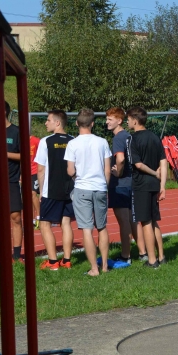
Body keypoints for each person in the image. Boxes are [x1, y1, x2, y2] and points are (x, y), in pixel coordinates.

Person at [64, 109, 112, 276]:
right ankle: (105, 265)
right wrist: (104, 186)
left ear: (77, 123)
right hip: (100, 187)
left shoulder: (72, 144)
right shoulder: (102, 142)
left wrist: (78, 175)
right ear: (92, 123)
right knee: (102, 227)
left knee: (86, 229)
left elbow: (70, 171)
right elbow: (107, 169)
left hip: (82, 187)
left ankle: (94, 268)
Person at [127, 106, 168, 269]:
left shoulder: (132, 139)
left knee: (145, 222)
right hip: (154, 185)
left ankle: (152, 260)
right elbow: (163, 163)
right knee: (153, 221)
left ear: (135, 121)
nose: (127, 122)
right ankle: (161, 256)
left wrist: (154, 174)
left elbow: (138, 164)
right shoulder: (155, 137)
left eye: (129, 119)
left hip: (142, 184)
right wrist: (162, 185)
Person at [106, 107, 146, 265]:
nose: (107, 122)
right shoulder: (129, 136)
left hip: (121, 184)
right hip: (132, 182)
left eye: (110, 119)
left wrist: (118, 173)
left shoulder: (118, 138)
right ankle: (142, 252)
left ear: (119, 121)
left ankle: (125, 255)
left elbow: (120, 159)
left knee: (123, 221)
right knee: (133, 220)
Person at [36, 110, 75, 270]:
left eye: (48, 120)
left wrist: (40, 191)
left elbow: (40, 169)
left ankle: (53, 262)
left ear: (57, 122)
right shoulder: (73, 141)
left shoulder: (45, 141)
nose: (46, 123)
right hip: (70, 189)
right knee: (66, 223)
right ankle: (67, 260)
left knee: (44, 224)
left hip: (51, 189)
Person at [0, 101, 23, 264]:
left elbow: (23, 156)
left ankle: (16, 256)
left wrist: (4, 153)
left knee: (15, 217)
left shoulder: (16, 132)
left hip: (10, 180)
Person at [30, 133, 41, 229]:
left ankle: (39, 217)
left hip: (35, 171)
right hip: (25, 172)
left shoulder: (36, 141)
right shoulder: (20, 141)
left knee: (33, 194)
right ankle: (33, 218)